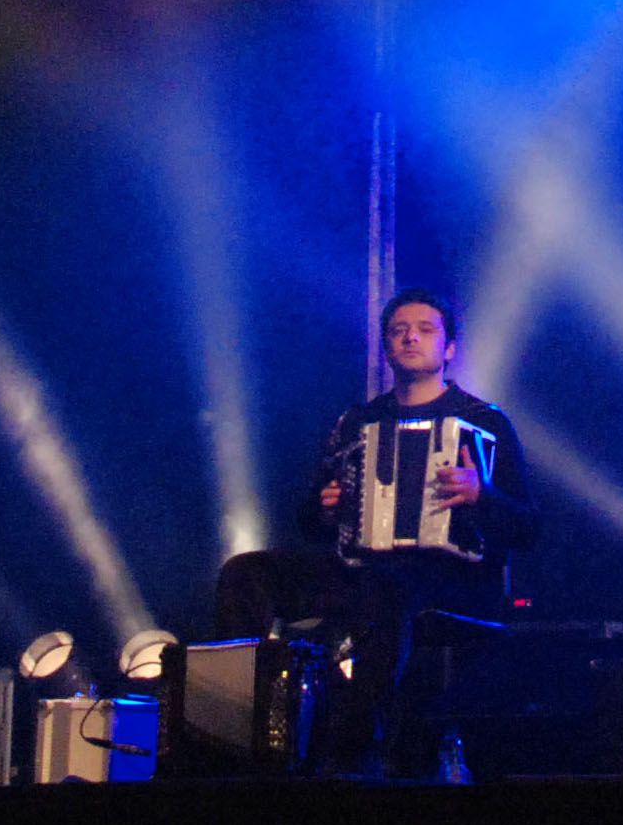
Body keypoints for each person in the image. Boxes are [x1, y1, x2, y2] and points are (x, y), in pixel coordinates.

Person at [212, 288, 534, 776]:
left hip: (454, 580)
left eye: (425, 330)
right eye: (398, 331)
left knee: (389, 587)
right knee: (246, 573)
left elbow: (529, 528)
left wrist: (481, 496)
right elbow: (311, 520)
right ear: (386, 346)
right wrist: (326, 509)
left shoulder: (484, 421)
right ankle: (241, 724)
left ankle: (353, 748)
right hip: (365, 572)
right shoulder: (359, 422)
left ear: (449, 347)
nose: (410, 338)